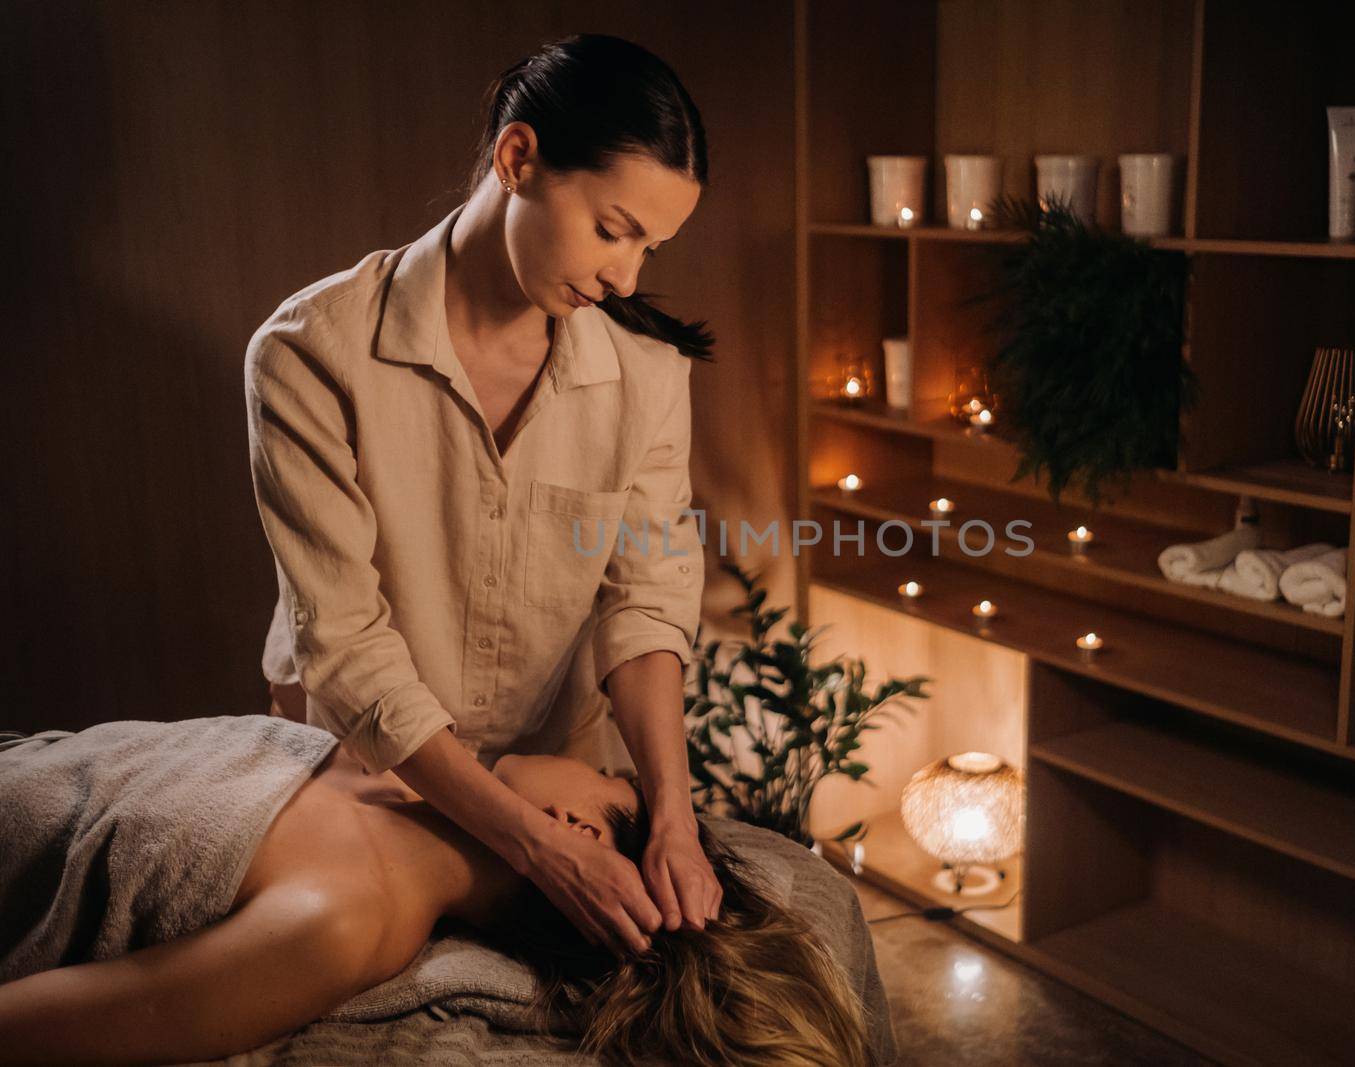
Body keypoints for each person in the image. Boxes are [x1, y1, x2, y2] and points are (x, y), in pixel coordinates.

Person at [244, 32, 718, 960]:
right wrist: (534, 847)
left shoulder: (647, 373)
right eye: (614, 230)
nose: (627, 278)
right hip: (374, 776)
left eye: (651, 247)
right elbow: (346, 649)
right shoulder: (310, 354)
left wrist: (674, 818)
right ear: (518, 158)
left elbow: (646, 601)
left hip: (558, 775)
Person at [0, 716, 877, 1066]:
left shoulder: (343, 925)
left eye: (611, 781)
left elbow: (31, 1026)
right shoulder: (405, 765)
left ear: (580, 836)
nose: (595, 760)